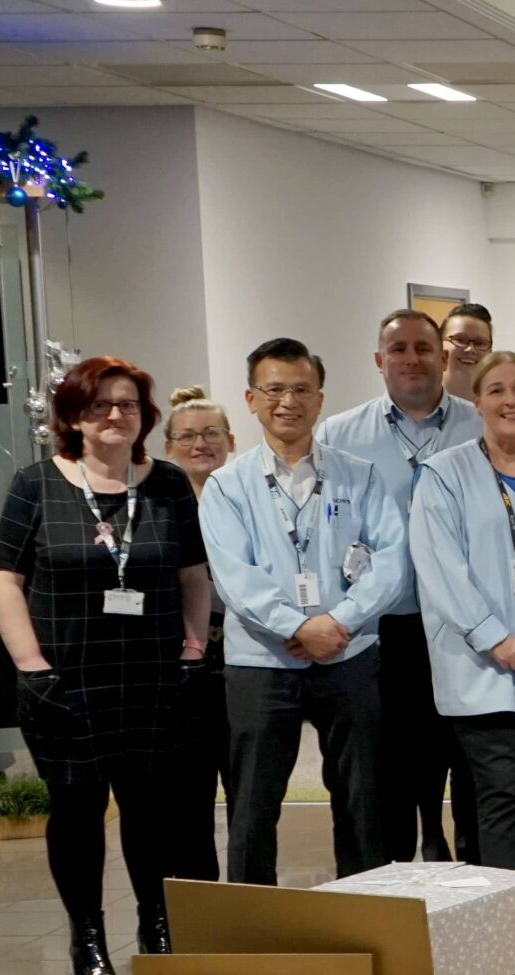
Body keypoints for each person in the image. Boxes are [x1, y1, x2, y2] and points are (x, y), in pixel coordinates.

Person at [0, 357, 211, 975]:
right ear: (74, 418)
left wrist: (194, 646)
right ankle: (87, 934)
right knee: (78, 812)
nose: (116, 416)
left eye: (129, 405)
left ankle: (156, 924)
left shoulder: (166, 484)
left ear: (144, 417)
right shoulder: (37, 484)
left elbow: (192, 573)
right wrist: (29, 661)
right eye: (100, 406)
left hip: (152, 679)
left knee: (151, 811)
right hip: (66, 680)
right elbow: (5, 575)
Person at [200, 337, 409, 887]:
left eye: (300, 389)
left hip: (349, 653)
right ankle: (253, 933)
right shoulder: (227, 485)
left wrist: (338, 623)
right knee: (252, 806)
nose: (287, 401)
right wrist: (297, 625)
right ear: (251, 399)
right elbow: (233, 574)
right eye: (273, 389)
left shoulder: (358, 474)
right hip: (262, 662)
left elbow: (392, 558)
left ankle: (370, 914)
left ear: (319, 401)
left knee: (364, 798)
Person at [410, 352, 515, 953]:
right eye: (497, 390)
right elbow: (439, 566)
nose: (511, 400)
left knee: (509, 800)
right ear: (476, 403)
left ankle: (480, 925)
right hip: (478, 667)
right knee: (505, 796)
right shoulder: (444, 474)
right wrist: (493, 637)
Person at [320, 308, 482, 867]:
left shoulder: (482, 423)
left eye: (422, 348)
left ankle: (471, 886)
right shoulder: (338, 436)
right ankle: (387, 892)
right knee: (384, 770)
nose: (411, 359)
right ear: (378, 361)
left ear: (442, 357)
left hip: (462, 626)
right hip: (381, 627)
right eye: (398, 349)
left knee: (465, 764)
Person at [161, 386, 236, 883]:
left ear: (230, 440)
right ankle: (197, 910)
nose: (200, 443)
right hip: (181, 666)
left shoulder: (247, 494)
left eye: (211, 433)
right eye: (187, 436)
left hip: (242, 660)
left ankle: (251, 906)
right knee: (186, 801)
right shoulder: (153, 506)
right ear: (168, 446)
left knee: (248, 796)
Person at [440, 303, 494, 403]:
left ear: (490, 353)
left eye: (480, 343)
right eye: (460, 340)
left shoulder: (500, 410)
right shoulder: (417, 405)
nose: (470, 349)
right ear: (439, 346)